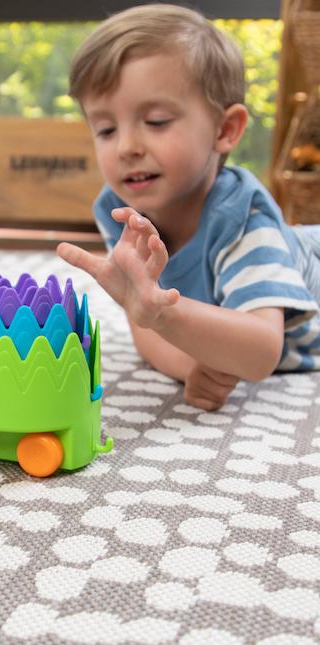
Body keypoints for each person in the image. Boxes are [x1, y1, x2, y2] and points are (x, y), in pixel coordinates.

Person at [57, 3, 320, 410]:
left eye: (157, 121)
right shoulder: (120, 209)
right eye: (106, 129)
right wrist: (191, 366)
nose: (126, 147)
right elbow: (143, 320)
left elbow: (261, 350)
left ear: (225, 129)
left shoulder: (243, 219)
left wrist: (164, 316)